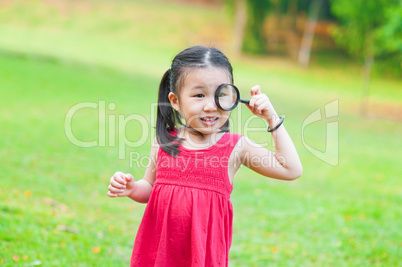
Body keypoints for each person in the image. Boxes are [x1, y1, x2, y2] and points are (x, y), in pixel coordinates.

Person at [107, 46, 303, 266]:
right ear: (175, 101)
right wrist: (133, 188)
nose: (211, 106)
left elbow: (291, 169)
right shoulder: (165, 141)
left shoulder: (236, 147)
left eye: (220, 95)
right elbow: (150, 188)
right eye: (199, 95)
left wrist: (272, 118)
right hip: (159, 255)